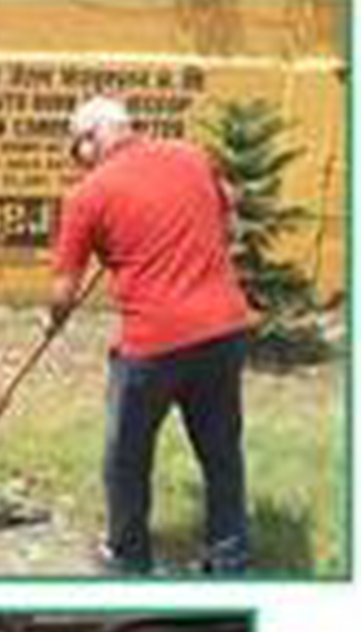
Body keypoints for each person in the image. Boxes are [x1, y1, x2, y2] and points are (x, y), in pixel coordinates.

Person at [49, 95, 253, 576]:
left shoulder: (88, 195)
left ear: (93, 136)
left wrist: (53, 319)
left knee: (126, 456)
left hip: (154, 346)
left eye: (74, 148)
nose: (76, 160)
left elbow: (63, 290)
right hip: (225, 330)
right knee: (221, 449)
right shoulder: (190, 155)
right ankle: (230, 555)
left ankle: (128, 554)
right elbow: (230, 207)